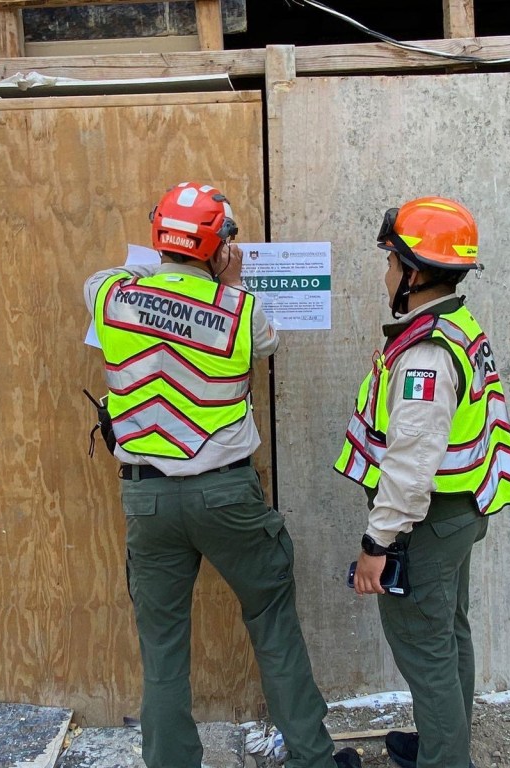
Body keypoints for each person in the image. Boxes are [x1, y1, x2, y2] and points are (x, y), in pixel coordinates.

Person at [84, 181, 360, 768]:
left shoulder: (109, 294)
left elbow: (113, 280)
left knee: (162, 651)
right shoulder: (241, 311)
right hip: (226, 494)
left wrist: (175, 261)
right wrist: (222, 278)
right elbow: (263, 344)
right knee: (272, 620)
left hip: (147, 502)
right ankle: (313, 759)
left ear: (160, 235)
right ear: (221, 246)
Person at [335, 197, 510, 768]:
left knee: (424, 647)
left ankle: (445, 760)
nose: (386, 272)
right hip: (457, 513)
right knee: (448, 635)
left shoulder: (424, 353)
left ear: (414, 273)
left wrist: (377, 545)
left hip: (425, 522)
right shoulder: (453, 325)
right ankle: (445, 744)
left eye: (391, 261)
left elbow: (410, 467)